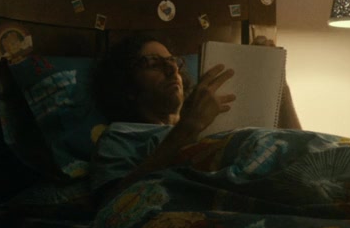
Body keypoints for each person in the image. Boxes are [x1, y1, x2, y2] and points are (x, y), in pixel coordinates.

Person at [91, 33, 300, 200]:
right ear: (127, 86)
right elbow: (111, 204)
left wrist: (278, 83)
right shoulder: (120, 136)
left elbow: (305, 162)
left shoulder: (225, 120)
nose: (171, 68)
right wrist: (187, 127)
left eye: (173, 61)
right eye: (153, 63)